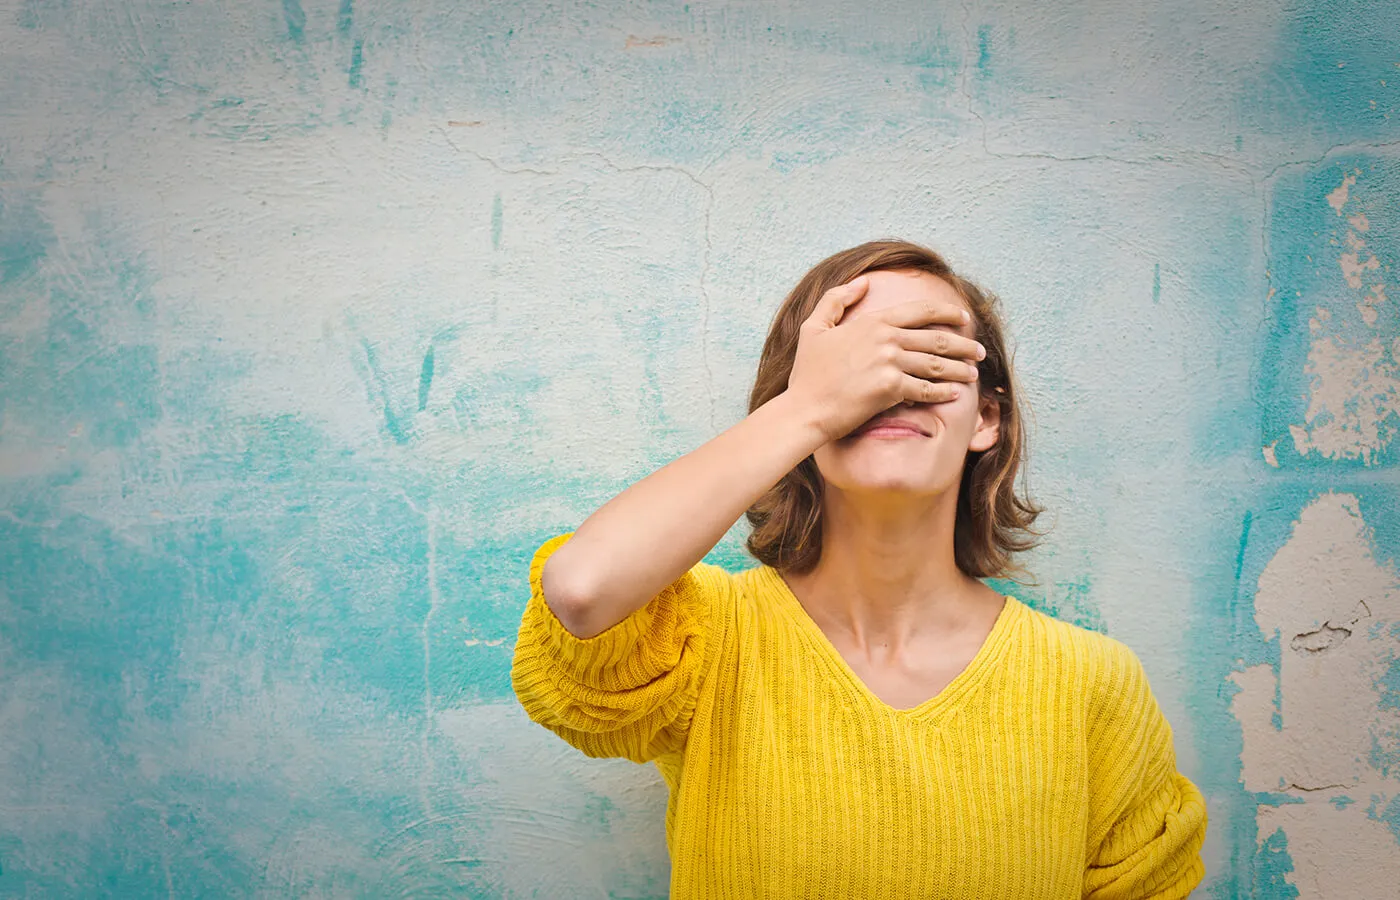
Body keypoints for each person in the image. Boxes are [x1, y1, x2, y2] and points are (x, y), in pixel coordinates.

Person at [511, 239, 1208, 898]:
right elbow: (582, 590)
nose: (891, 386)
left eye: (930, 358)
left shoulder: (1091, 685)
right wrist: (812, 407)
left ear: (986, 418)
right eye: (859, 361)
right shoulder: (708, 640)